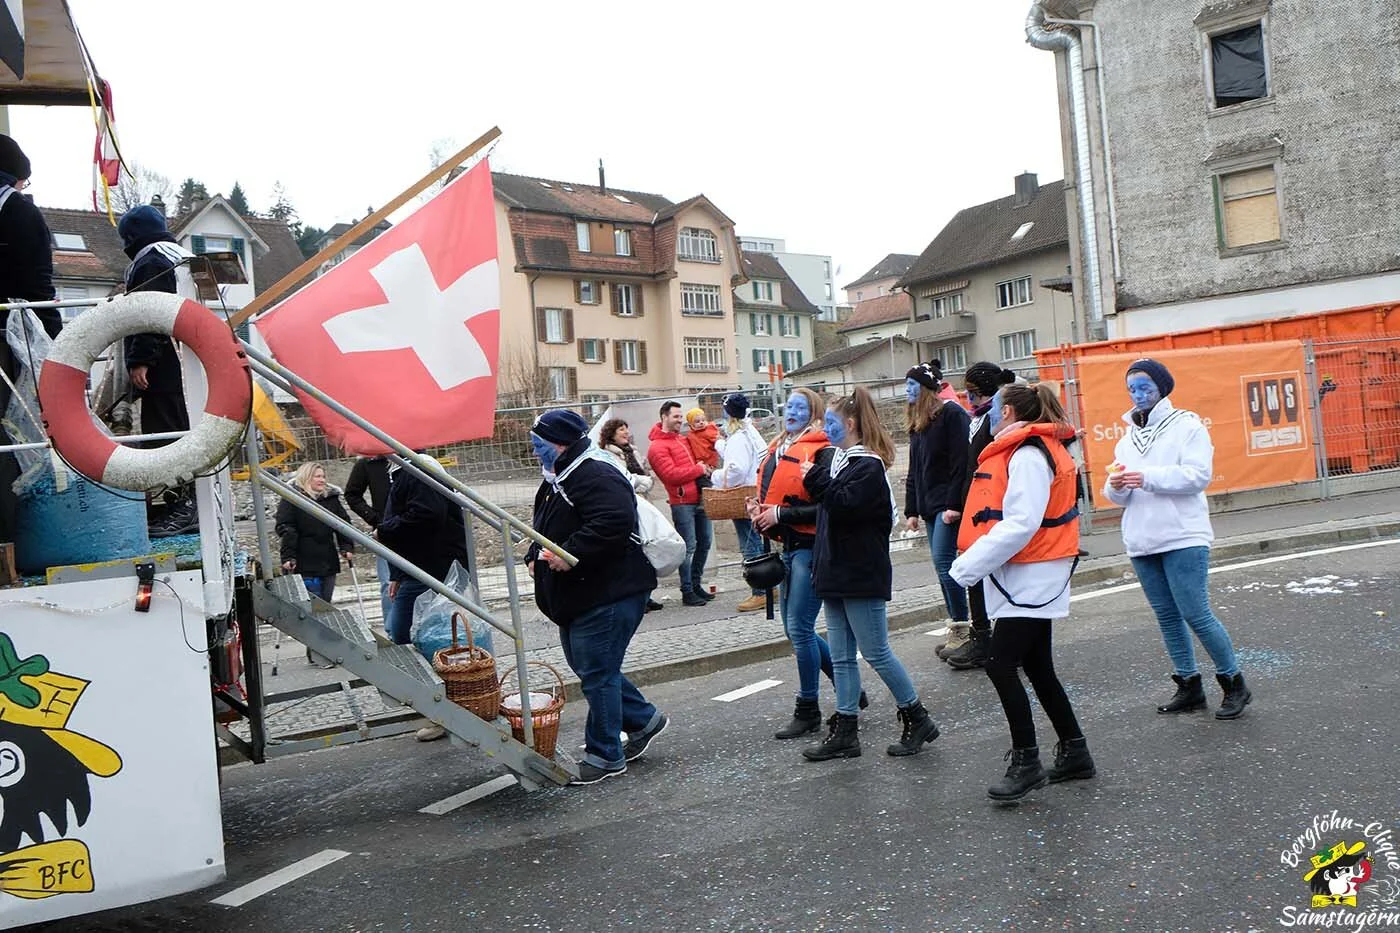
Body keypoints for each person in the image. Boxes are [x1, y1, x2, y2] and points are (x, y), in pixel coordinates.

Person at [951, 383, 1095, 802]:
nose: (990, 415)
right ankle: (1074, 750)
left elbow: (1021, 523)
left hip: (1035, 575)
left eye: (995, 408)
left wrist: (967, 567)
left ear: (1010, 412)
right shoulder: (1026, 450)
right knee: (1037, 665)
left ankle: (1027, 761)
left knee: (1000, 664)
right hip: (1032, 572)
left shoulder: (1029, 455)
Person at [526, 409, 669, 786]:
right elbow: (545, 523)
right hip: (583, 593)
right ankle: (643, 720)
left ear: (559, 443)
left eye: (537, 443)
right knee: (593, 669)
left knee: (598, 673)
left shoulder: (593, 471)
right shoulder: (561, 473)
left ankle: (605, 754)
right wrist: (533, 556)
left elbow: (614, 522)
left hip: (609, 591)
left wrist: (568, 554)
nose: (533, 449)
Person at [1104, 358, 1251, 720]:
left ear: (1161, 388)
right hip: (1142, 538)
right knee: (1167, 617)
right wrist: (1116, 485)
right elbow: (1117, 494)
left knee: (1196, 614)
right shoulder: (1127, 436)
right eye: (1132, 389)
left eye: (1144, 387)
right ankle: (1189, 685)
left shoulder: (1187, 425)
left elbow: (1198, 476)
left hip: (1183, 535)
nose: (1137, 395)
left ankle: (1234, 683)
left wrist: (1146, 477)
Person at [801, 387, 941, 761]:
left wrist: (812, 477)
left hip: (860, 572)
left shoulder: (867, 466)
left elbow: (843, 505)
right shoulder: (840, 460)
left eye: (830, 423)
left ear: (849, 424)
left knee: (876, 652)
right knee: (844, 656)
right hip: (837, 571)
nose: (825, 428)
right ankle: (846, 729)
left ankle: (917, 715)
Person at [749, 388, 865, 739]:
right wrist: (757, 508)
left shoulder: (822, 450)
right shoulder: (780, 445)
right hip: (790, 546)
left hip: (812, 547)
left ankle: (808, 708)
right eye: (790, 406)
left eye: (801, 407)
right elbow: (772, 490)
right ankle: (850, 689)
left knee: (799, 629)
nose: (792, 411)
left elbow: (828, 505)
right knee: (795, 629)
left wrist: (780, 513)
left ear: (814, 413)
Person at [117, 204, 200, 537]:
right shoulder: (178, 254)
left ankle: (185, 508)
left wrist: (141, 358)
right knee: (181, 434)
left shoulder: (150, 260)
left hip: (167, 367)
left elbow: (151, 310)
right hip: (191, 364)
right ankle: (186, 504)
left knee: (167, 438)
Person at [0, 134, 61, 551]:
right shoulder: (19, 212)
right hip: (6, 335)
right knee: (9, 435)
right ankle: (9, 540)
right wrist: (55, 341)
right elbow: (38, 282)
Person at [944, 362, 1019, 671]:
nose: (969, 401)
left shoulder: (994, 421)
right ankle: (985, 637)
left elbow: (982, 469)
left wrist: (965, 506)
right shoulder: (980, 420)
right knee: (977, 573)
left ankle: (987, 640)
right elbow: (966, 468)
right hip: (975, 505)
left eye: (973, 395)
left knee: (981, 572)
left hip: (988, 508)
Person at [902, 361, 972, 656]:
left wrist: (955, 504)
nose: (907, 390)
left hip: (947, 505)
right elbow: (915, 469)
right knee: (941, 566)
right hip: (930, 506)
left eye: (912, 385)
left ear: (928, 389)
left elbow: (962, 462)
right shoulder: (919, 423)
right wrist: (912, 510)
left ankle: (963, 629)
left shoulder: (951, 415)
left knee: (947, 566)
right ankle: (957, 627)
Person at [376, 456, 469, 646]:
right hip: (421, 566)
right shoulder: (406, 470)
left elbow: (427, 514)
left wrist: (384, 531)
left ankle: (431, 672)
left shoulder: (417, 472)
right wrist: (397, 573)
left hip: (430, 566)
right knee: (413, 630)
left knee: (403, 632)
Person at [647, 401, 714, 607]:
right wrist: (699, 469)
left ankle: (695, 584)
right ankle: (687, 590)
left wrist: (706, 467)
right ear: (664, 417)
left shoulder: (683, 439)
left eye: (681, 416)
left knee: (705, 543)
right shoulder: (657, 447)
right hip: (682, 502)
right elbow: (670, 476)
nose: (680, 420)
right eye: (676, 416)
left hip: (701, 498)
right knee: (689, 547)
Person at [598, 418, 663, 613]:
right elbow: (626, 479)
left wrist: (643, 480)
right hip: (628, 504)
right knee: (633, 550)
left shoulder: (631, 450)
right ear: (611, 434)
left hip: (643, 502)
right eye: (621, 430)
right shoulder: (608, 454)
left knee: (646, 548)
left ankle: (646, 594)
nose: (626, 433)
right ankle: (635, 597)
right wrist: (643, 481)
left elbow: (644, 473)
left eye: (626, 429)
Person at [714, 393, 769, 613]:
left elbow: (735, 469)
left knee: (749, 544)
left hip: (743, 495)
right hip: (756, 491)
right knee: (757, 540)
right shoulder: (749, 431)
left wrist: (716, 476)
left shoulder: (738, 437)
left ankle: (760, 591)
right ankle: (768, 586)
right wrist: (720, 444)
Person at [275, 462, 354, 602]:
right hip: (304, 561)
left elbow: (343, 524)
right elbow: (286, 528)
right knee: (312, 603)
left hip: (328, 559)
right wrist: (288, 557)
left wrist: (346, 546)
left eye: (323, 476)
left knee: (326, 601)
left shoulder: (330, 499)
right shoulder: (292, 499)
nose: (322, 480)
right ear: (306, 477)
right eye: (317, 476)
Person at [344, 455, 392, 622]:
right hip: (387, 532)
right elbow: (351, 494)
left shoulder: (411, 455)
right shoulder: (368, 463)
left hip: (416, 528)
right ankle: (394, 631)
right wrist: (374, 518)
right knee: (388, 582)